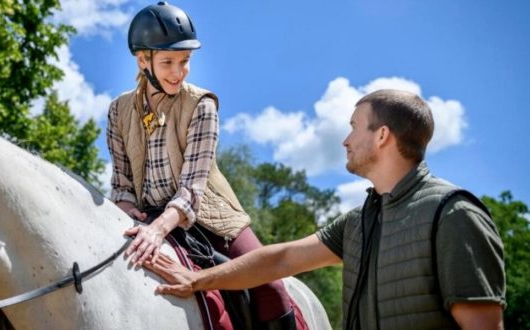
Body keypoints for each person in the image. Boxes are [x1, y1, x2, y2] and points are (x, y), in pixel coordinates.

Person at [146, 89, 506, 329]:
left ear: (382, 136)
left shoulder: (455, 214)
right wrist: (198, 279)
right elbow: (282, 259)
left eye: (353, 127)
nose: (346, 140)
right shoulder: (359, 222)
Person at [107, 2, 298, 328]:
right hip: (149, 215)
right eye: (168, 62)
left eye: (185, 61)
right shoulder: (117, 110)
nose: (178, 72)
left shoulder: (202, 105)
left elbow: (191, 190)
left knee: (272, 288)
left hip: (209, 217)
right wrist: (125, 207)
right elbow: (122, 182)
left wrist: (157, 230)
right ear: (143, 60)